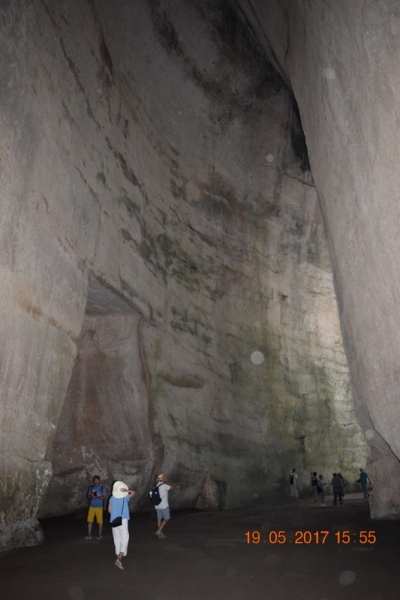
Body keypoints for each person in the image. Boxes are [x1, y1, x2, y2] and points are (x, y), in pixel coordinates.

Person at [108, 481, 136, 570]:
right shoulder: (125, 497)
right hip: (123, 519)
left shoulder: (111, 498)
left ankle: (118, 557)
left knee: (117, 539)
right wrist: (126, 490)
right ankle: (119, 558)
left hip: (114, 520)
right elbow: (134, 492)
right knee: (125, 538)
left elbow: (109, 510)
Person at [85, 475, 107, 539]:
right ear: (93, 481)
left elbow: (104, 497)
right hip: (92, 507)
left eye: (97, 480)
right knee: (90, 521)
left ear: (99, 481)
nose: (96, 481)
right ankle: (89, 534)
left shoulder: (102, 488)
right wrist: (91, 495)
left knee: (100, 521)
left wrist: (98, 497)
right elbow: (87, 496)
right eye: (95, 480)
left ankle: (100, 534)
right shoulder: (91, 488)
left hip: (99, 507)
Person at [154, 474, 174, 539]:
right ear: (163, 479)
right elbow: (172, 488)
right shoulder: (165, 486)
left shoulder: (155, 486)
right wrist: (167, 482)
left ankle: (160, 534)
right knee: (166, 519)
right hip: (164, 506)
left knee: (159, 519)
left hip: (157, 505)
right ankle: (159, 531)